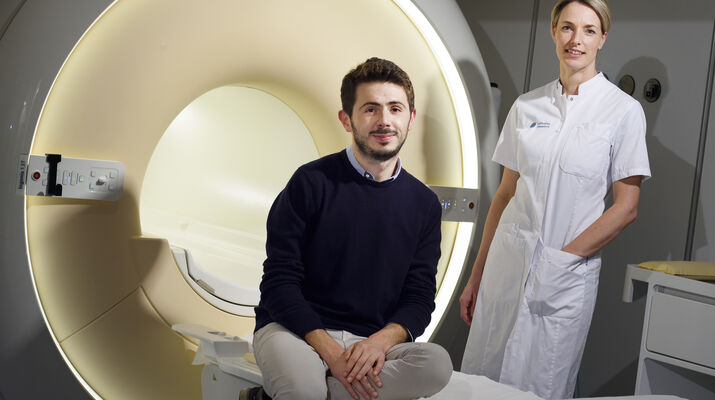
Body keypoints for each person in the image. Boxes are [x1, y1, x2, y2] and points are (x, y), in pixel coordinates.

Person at [458, 1, 650, 398]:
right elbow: (506, 195)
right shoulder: (527, 106)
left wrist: (561, 261)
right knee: (478, 382)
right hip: (505, 269)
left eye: (588, 30)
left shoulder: (623, 112)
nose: (576, 40)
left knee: (540, 385)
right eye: (567, 28)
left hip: (564, 279)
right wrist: (477, 274)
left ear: (602, 39)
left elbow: (626, 208)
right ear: (553, 32)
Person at [247, 57, 452, 400]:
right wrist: (330, 352)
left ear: (410, 118)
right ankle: (320, 385)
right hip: (295, 332)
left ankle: (271, 396)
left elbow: (418, 299)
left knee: (436, 365)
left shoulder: (424, 204)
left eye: (395, 109)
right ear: (347, 119)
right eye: (370, 109)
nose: (385, 121)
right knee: (302, 392)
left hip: (370, 342)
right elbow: (279, 283)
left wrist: (378, 343)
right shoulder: (310, 182)